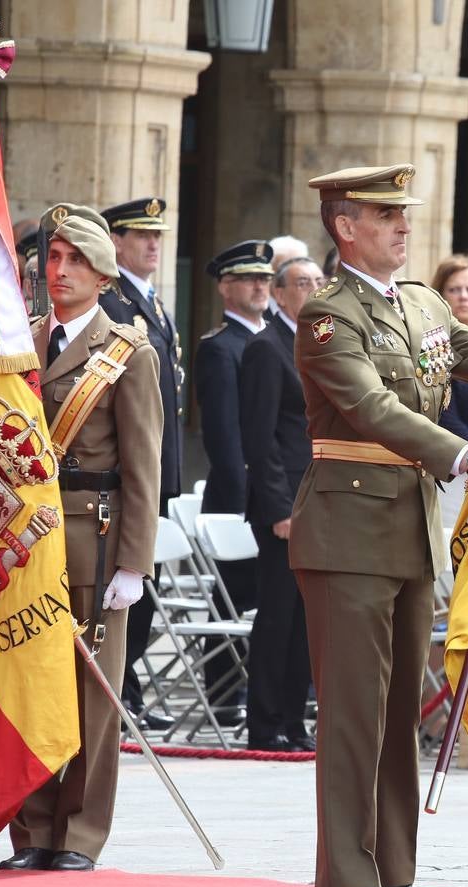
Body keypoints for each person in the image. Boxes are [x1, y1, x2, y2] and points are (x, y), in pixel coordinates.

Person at [291, 163, 468, 887]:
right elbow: (371, 409)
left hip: (410, 528)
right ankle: (347, 876)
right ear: (345, 228)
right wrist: (467, 455)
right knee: (355, 713)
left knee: (395, 719)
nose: (403, 224)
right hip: (348, 530)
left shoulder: (422, 303)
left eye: (404, 213)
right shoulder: (328, 315)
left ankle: (395, 872)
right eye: (384, 214)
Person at [2, 213, 161, 871]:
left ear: (100, 274)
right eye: (51, 256)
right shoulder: (21, 342)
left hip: (93, 537)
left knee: (93, 695)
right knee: (28, 685)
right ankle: (33, 827)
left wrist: (134, 561)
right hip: (24, 542)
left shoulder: (128, 350)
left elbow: (144, 463)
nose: (57, 270)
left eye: (72, 259)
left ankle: (80, 834)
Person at [98, 197, 184, 733]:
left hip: (158, 465)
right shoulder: (116, 300)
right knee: (125, 584)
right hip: (127, 465)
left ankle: (129, 684)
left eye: (158, 234)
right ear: (116, 242)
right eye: (141, 234)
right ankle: (121, 685)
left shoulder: (150, 299)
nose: (154, 243)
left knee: (146, 588)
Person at [238, 257, 317, 752]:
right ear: (280, 295)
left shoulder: (319, 346)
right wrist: (279, 509)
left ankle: (295, 719)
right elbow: (260, 437)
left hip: (320, 500)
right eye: (302, 283)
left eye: (318, 282)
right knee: (278, 617)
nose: (312, 290)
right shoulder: (267, 348)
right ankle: (265, 725)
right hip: (285, 504)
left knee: (308, 619)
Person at [195, 239, 273, 722]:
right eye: (249, 278)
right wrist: (252, 495)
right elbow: (225, 436)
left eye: (265, 278)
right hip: (238, 496)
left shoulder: (269, 341)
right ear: (226, 287)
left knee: (263, 598)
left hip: (267, 494)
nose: (260, 285)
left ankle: (247, 687)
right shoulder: (221, 348)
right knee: (233, 597)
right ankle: (224, 695)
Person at [430, 254, 468, 442]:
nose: (463, 296)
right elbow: (445, 417)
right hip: (462, 456)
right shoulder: (431, 345)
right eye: (454, 289)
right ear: (439, 295)